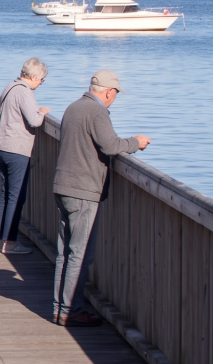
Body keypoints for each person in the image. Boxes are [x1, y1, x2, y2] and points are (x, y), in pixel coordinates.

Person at [51, 70, 150, 327]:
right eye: (115, 94)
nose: (114, 99)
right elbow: (111, 145)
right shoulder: (97, 112)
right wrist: (135, 142)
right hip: (83, 191)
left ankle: (59, 308)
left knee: (65, 253)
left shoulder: (73, 107)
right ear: (108, 92)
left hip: (63, 186)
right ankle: (70, 311)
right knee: (80, 255)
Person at [0, 57, 51, 254]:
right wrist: (41, 113)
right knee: (16, 197)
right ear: (33, 76)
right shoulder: (24, 92)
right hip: (17, 150)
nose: (41, 83)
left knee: (5, 195)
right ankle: (10, 243)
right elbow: (34, 121)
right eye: (41, 80)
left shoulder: (9, 87)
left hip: (2, 147)